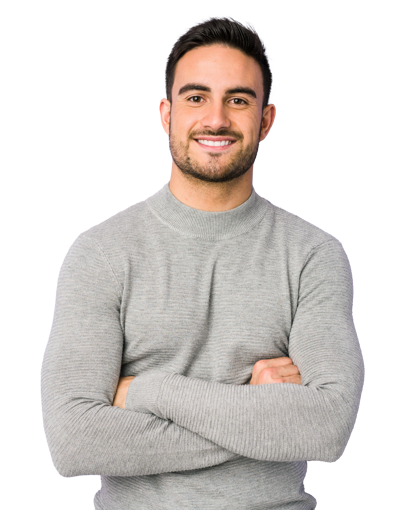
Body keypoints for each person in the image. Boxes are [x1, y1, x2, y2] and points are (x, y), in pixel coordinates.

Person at [40, 15, 364, 510]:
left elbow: (326, 428)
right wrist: (259, 415)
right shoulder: (98, 253)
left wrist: (145, 392)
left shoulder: (311, 255)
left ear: (265, 119)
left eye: (238, 100)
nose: (216, 120)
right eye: (196, 98)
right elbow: (75, 438)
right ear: (167, 114)